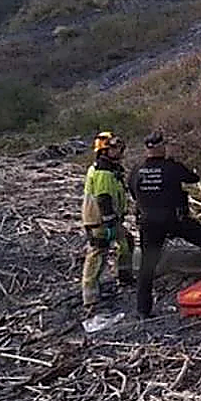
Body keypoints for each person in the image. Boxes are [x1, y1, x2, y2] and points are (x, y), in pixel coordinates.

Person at [128, 131, 201, 319]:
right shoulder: (171, 167)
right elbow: (193, 179)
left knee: (147, 265)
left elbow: (132, 192)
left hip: (148, 222)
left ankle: (142, 309)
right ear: (161, 147)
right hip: (173, 219)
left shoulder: (137, 170)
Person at [80, 132, 134, 314]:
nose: (119, 151)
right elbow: (103, 198)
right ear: (104, 150)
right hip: (100, 221)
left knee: (126, 242)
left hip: (108, 219)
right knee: (97, 254)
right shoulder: (103, 172)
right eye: (115, 148)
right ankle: (90, 297)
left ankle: (124, 277)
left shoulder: (110, 169)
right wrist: (110, 221)